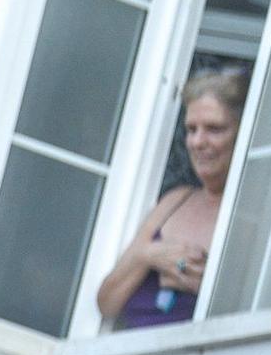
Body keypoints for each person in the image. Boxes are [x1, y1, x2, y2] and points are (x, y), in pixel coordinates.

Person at [95, 72, 248, 329]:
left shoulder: (251, 214)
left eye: (214, 129)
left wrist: (206, 285)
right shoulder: (175, 200)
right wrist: (151, 255)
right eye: (191, 130)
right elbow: (106, 303)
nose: (198, 142)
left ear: (243, 133)